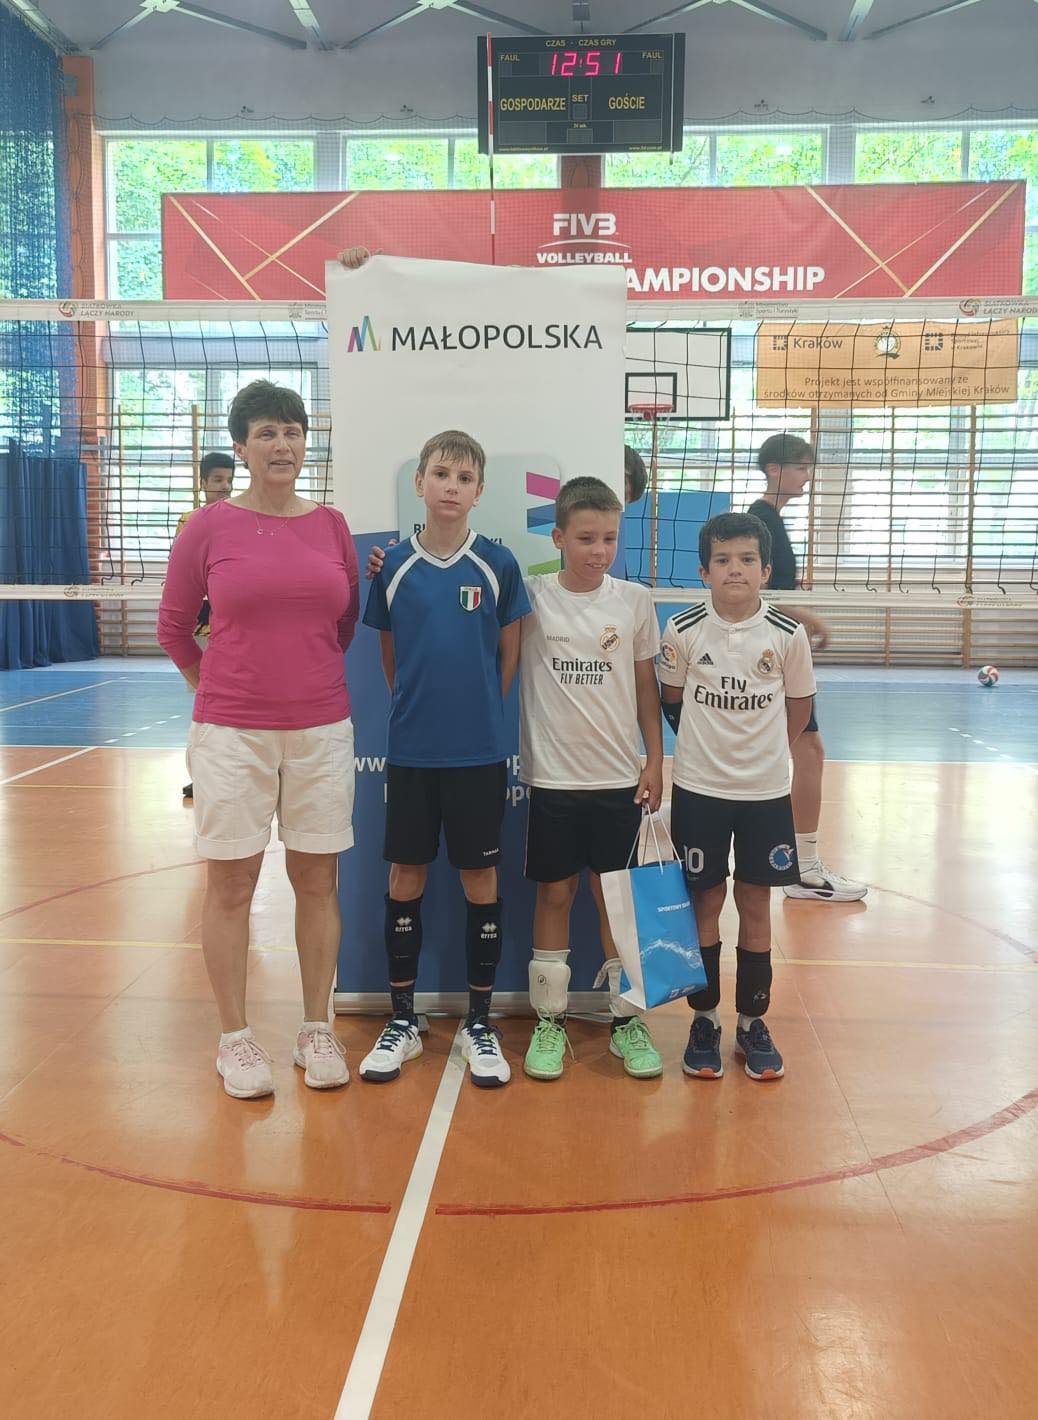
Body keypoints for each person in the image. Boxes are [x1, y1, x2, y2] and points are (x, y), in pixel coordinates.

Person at [157, 380, 360, 1100]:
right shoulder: (207, 527)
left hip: (320, 730)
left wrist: (300, 684)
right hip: (232, 735)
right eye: (267, 433)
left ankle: (315, 1029)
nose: (283, 445)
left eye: (293, 432)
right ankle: (235, 1039)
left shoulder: (332, 525)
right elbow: (174, 627)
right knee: (232, 883)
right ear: (241, 447)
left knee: (318, 880)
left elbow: (342, 624)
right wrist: (218, 692)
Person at [359, 430, 530, 1089]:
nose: (451, 486)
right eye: (440, 473)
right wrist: (417, 708)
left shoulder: (498, 563)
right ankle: (403, 1019)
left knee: (479, 879)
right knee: (406, 876)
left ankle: (479, 1023)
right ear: (420, 483)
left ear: (479, 491)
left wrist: (481, 710)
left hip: (478, 753)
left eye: (464, 477)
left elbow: (509, 654)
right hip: (411, 752)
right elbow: (390, 658)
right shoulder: (394, 565)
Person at [659, 511, 816, 1081]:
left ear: (766, 569)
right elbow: (672, 702)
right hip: (699, 788)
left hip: (765, 793)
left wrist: (763, 755)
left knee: (754, 901)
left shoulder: (787, 635)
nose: (735, 569)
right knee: (704, 901)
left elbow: (798, 710)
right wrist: (713, 752)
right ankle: (704, 1021)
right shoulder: (682, 630)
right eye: (722, 560)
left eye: (747, 559)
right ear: (704, 571)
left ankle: (752, 1023)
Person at [519, 477, 664, 1081]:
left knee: (616, 903)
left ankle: (626, 1020)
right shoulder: (531, 596)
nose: (598, 550)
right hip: (553, 780)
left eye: (608, 538)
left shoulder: (633, 601)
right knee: (555, 895)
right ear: (558, 538)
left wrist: (655, 760)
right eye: (585, 538)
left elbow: (646, 687)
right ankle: (550, 1020)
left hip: (617, 781)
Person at [746, 433, 867, 903]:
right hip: (769, 655)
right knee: (809, 751)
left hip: (778, 652)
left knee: (797, 751)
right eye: (801, 467)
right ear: (774, 469)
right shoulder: (761, 520)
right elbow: (756, 594)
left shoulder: (771, 520)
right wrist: (807, 616)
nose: (807, 477)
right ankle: (803, 868)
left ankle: (799, 863)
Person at [176, 451, 234, 801]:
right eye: (217, 480)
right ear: (203, 484)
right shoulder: (191, 521)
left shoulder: (240, 518)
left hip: (232, 631)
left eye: (229, 480)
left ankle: (229, 772)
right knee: (204, 706)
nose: (224, 487)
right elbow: (186, 573)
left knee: (230, 707)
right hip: (201, 631)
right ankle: (201, 775)